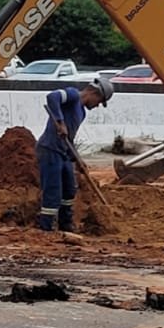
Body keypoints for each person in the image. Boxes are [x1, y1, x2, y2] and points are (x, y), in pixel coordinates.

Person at [36, 78, 113, 232]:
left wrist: (77, 159)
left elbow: (69, 139)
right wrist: (60, 121)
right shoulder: (73, 95)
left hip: (63, 152)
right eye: (99, 101)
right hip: (50, 149)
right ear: (94, 93)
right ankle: (46, 226)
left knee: (69, 189)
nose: (97, 106)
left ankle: (66, 224)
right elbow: (52, 97)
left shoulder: (82, 113)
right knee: (53, 190)